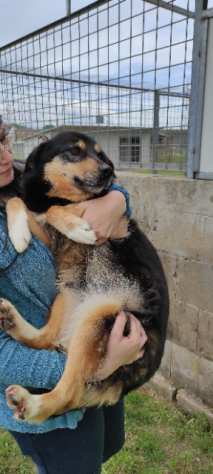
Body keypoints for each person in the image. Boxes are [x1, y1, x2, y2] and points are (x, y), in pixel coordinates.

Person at [0, 120, 147, 474]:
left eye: (2, 139)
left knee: (110, 444)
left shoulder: (22, 178)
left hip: (93, 331)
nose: (4, 155)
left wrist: (115, 200)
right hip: (50, 383)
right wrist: (98, 366)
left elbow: (100, 184)